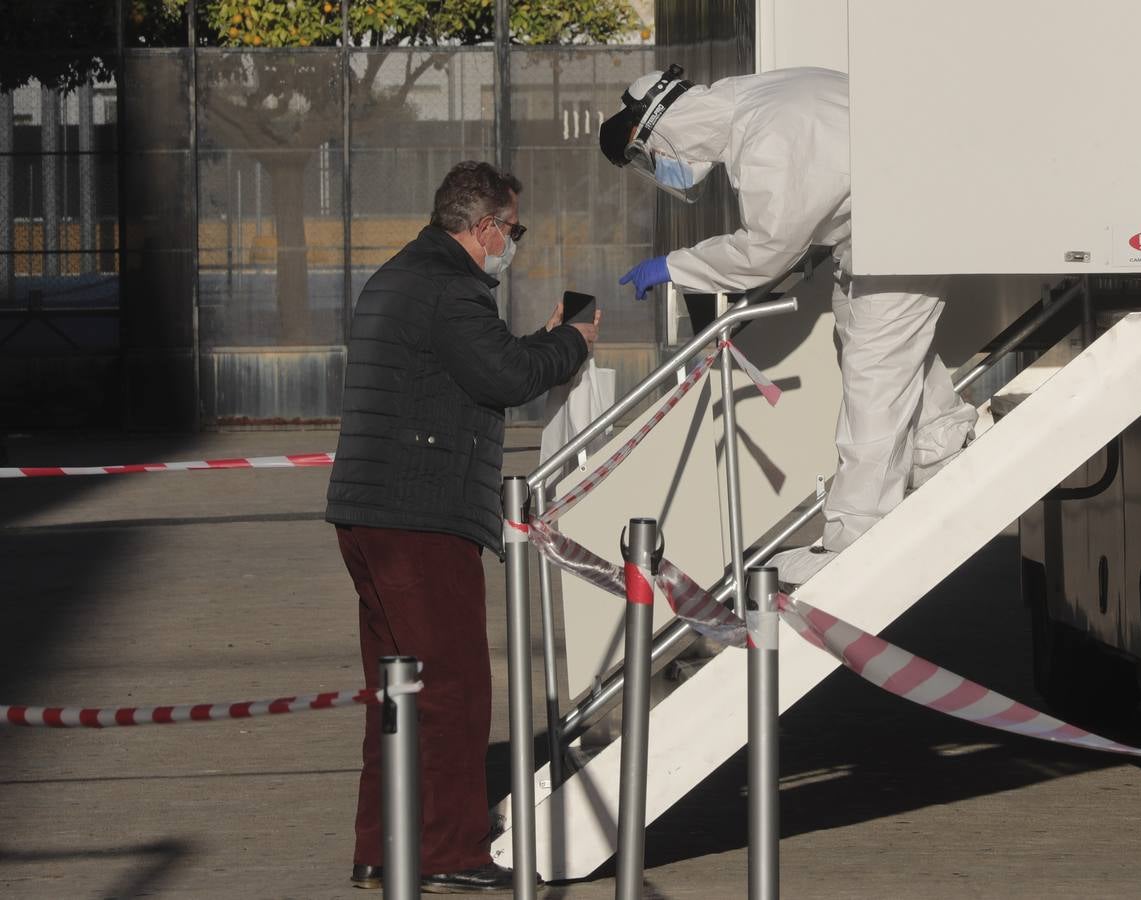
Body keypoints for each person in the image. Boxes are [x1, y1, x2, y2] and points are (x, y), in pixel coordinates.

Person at [325, 161, 599, 892]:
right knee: (453, 689)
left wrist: (535, 342)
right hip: (422, 514)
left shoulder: (402, 275)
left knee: (398, 691)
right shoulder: (450, 289)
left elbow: (486, 362)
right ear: (483, 227)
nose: (515, 243)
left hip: (369, 511)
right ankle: (450, 850)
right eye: (514, 229)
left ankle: (381, 844)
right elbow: (505, 378)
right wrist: (573, 343)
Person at [600, 65, 978, 586]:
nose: (662, 169)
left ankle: (856, 540)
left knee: (874, 370)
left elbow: (765, 250)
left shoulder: (762, 138)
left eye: (650, 156)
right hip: (903, 224)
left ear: (661, 126)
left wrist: (675, 265)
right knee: (868, 335)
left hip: (904, 234)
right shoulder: (761, 98)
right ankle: (943, 439)